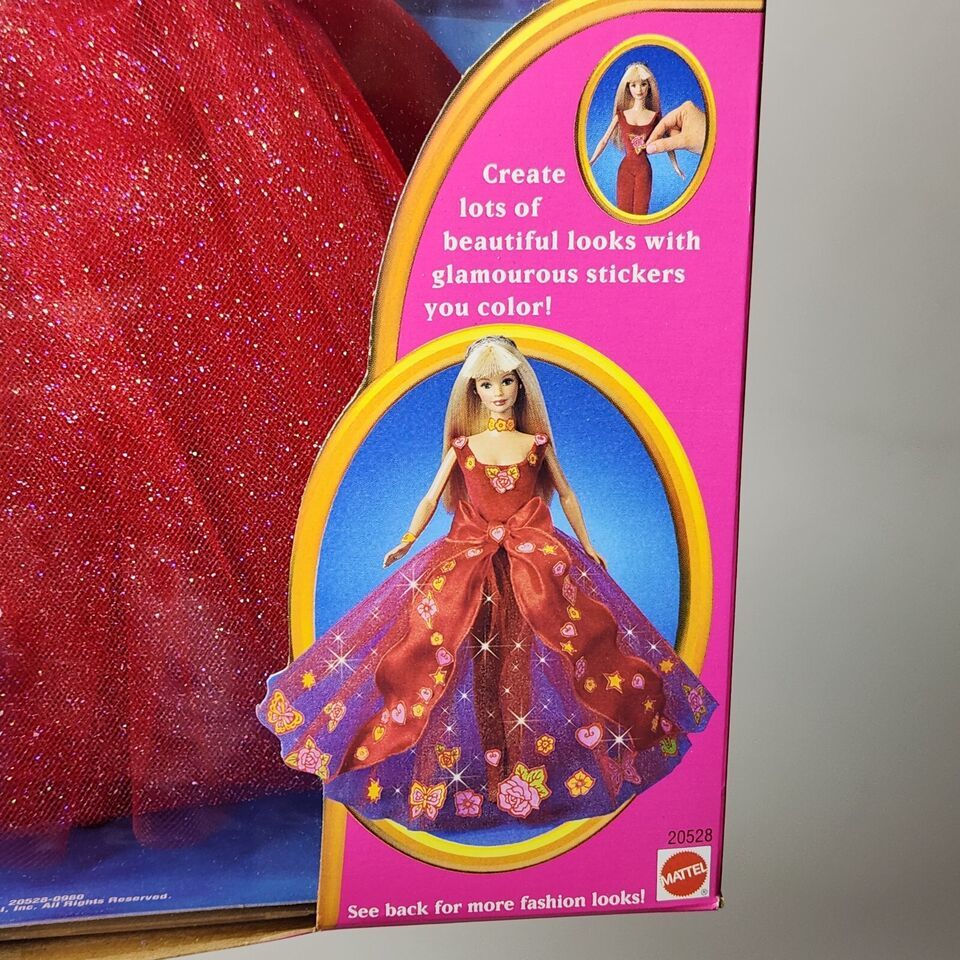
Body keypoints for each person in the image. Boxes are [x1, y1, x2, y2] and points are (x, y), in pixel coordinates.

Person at [259, 336, 715, 833]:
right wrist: (408, 539)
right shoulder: (463, 447)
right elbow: (431, 498)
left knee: (544, 658)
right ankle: (487, 763)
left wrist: (589, 544)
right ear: (473, 391)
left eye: (506, 381)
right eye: (486, 384)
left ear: (521, 386)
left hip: (532, 569)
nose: (498, 392)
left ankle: (519, 770)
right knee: (453, 658)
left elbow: (567, 494)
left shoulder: (536, 445)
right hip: (469, 567)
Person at [589, 62, 683, 215]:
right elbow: (604, 140)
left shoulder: (655, 117)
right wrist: (592, 160)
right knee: (623, 210)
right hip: (625, 170)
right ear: (628, 88)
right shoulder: (621, 115)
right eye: (634, 85)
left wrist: (675, 166)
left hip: (644, 170)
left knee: (641, 211)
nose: (639, 90)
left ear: (649, 87)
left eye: (643, 84)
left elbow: (668, 143)